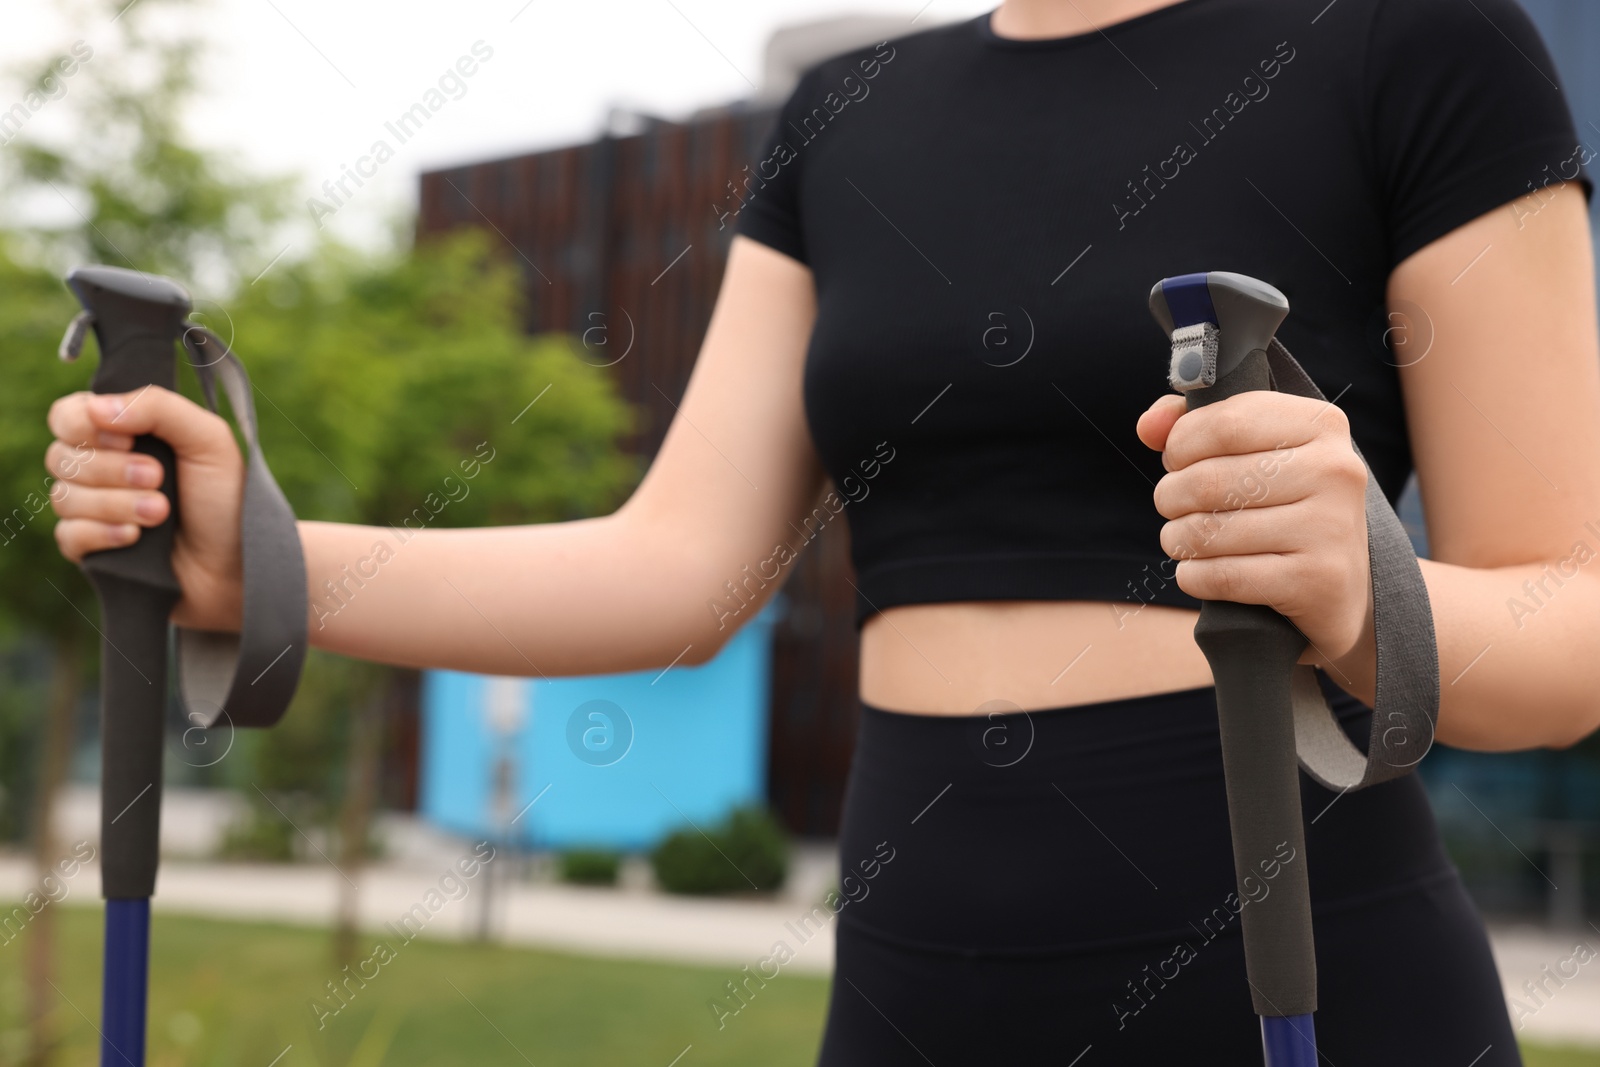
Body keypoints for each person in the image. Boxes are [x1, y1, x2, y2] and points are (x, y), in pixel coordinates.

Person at [43, 0, 1600, 1061]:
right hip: (912, 984)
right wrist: (260, 555)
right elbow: (671, 571)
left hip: (1301, 978)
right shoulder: (847, 116)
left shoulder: (1420, 44)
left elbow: (1570, 626)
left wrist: (1366, 585)